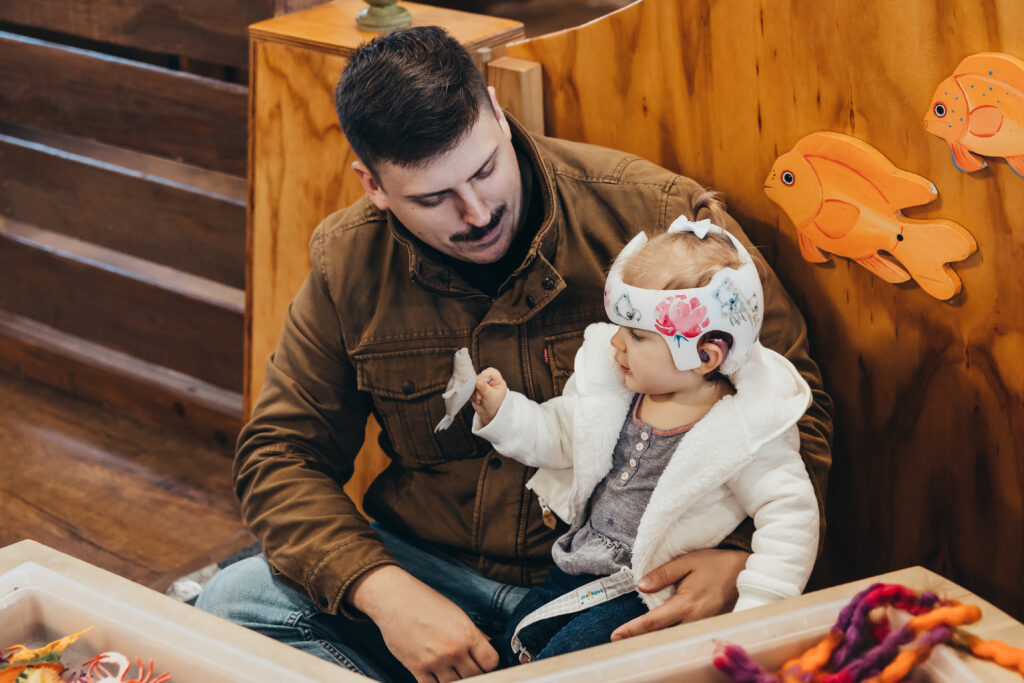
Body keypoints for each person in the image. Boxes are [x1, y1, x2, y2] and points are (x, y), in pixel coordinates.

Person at [196, 25, 833, 683]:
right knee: (230, 604)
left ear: (498, 115)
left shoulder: (657, 216)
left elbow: (793, 407)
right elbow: (280, 454)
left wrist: (737, 558)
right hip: (432, 571)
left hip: (618, 580)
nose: (476, 212)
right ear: (373, 185)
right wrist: (384, 592)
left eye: (484, 169)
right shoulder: (346, 259)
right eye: (434, 197)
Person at [469, 215, 819, 664]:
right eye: (618, 327)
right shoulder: (618, 391)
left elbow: (790, 517)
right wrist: (503, 413)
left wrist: (755, 613)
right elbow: (559, 434)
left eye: (635, 335)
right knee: (511, 647)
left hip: (644, 592)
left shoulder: (745, 429)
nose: (615, 344)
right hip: (574, 566)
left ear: (704, 355)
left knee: (566, 664)